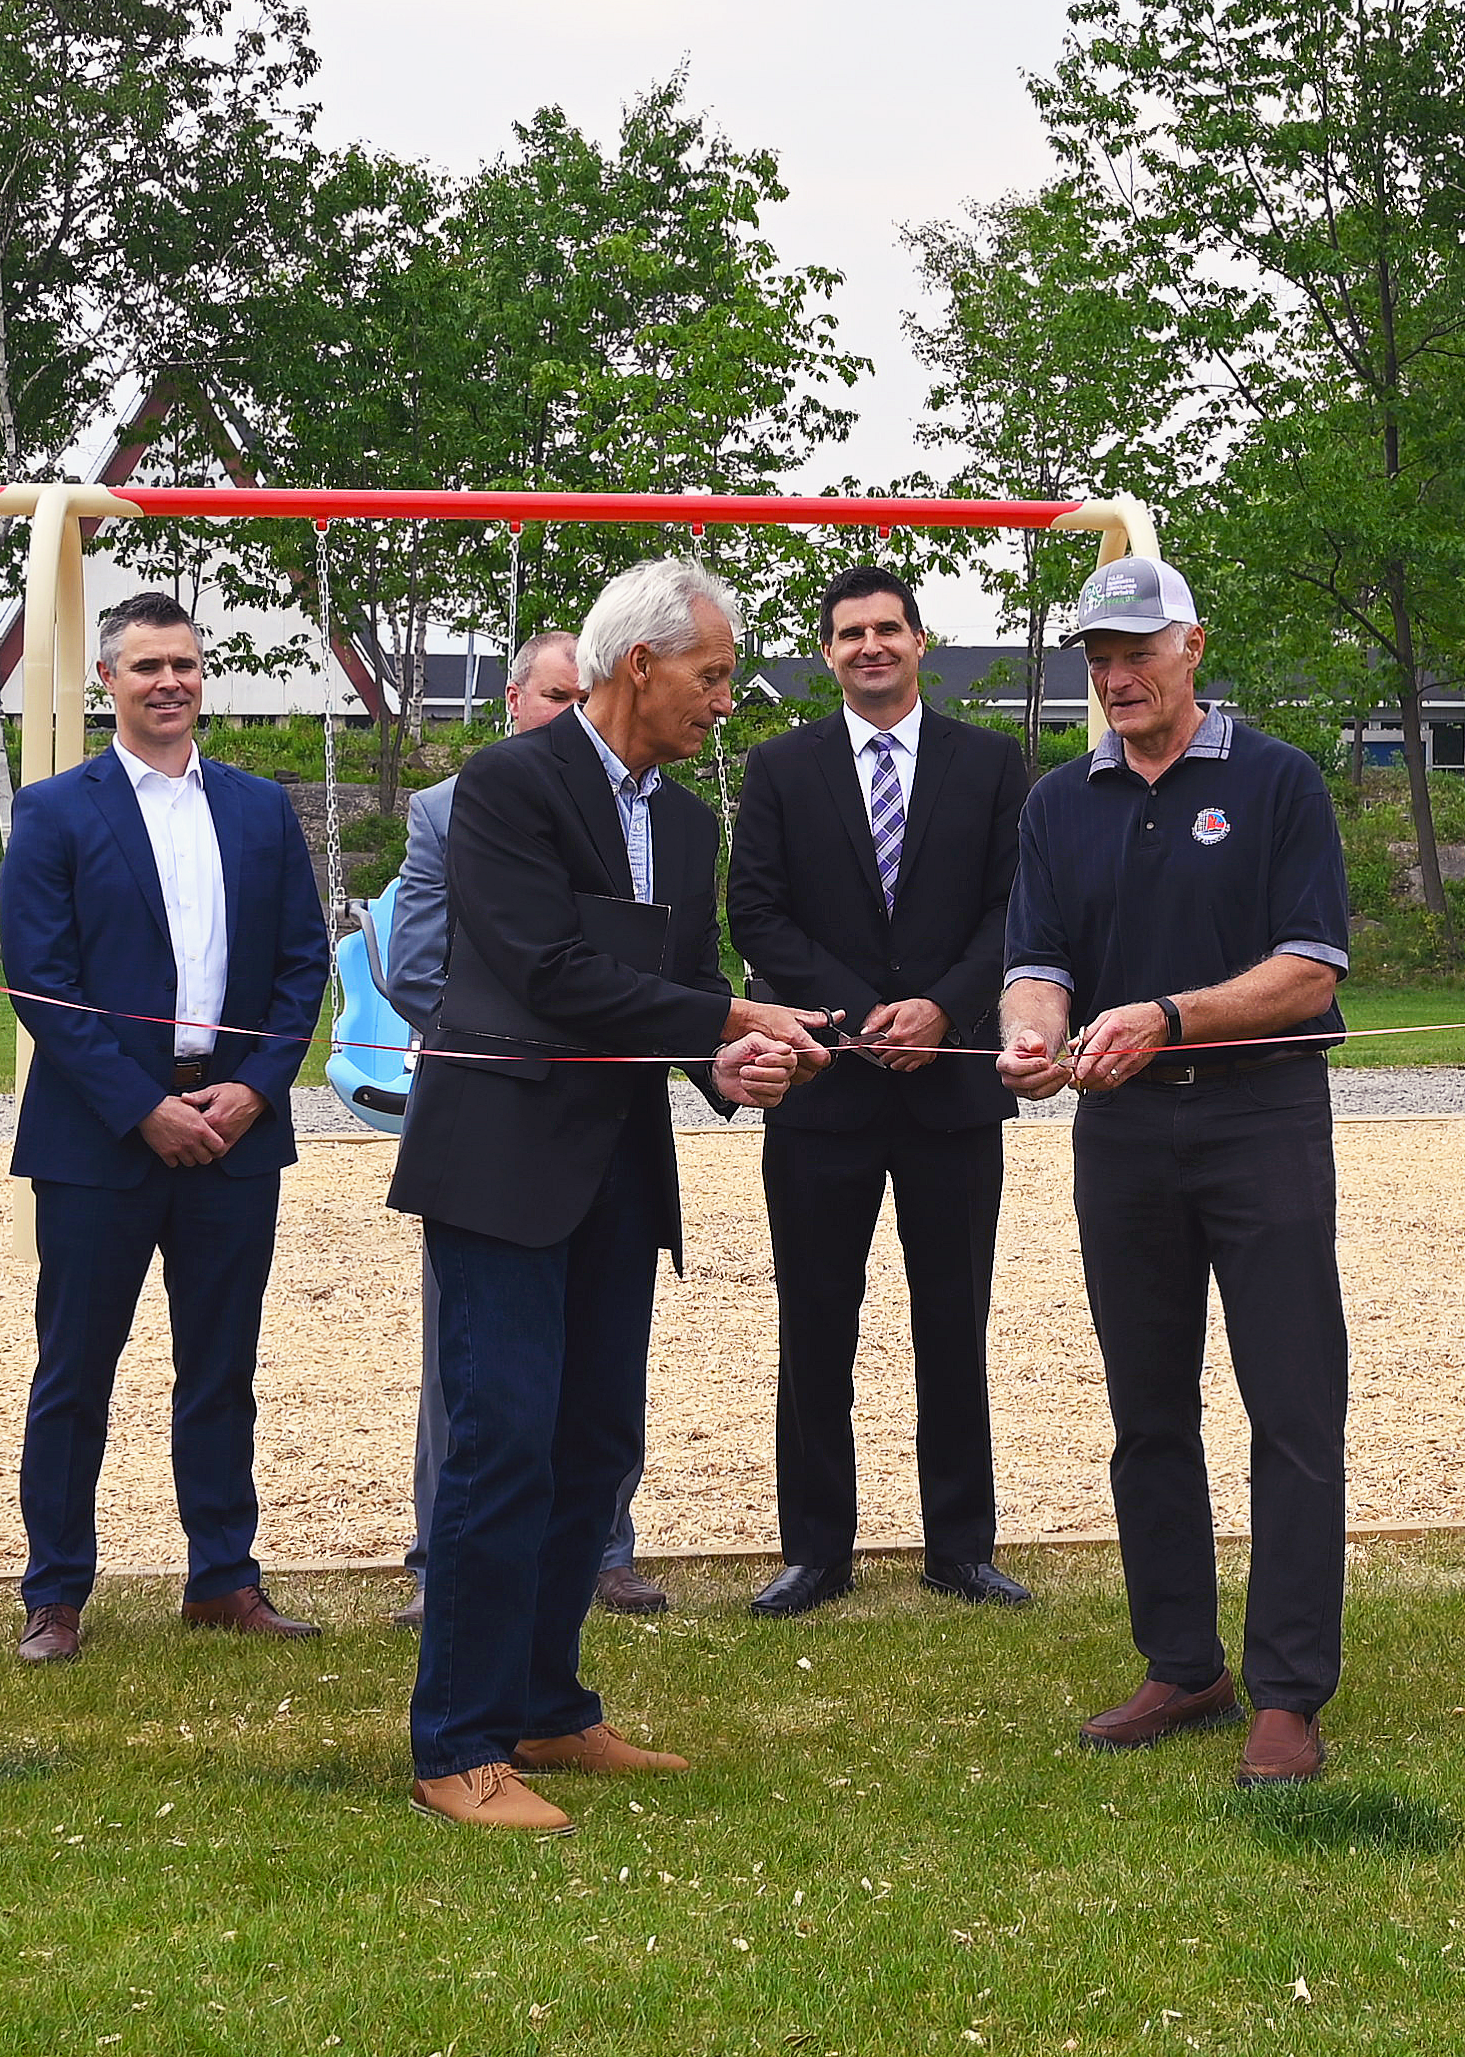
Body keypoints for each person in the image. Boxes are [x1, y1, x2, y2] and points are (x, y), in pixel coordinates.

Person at [386, 558, 825, 1834]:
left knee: (591, 1448)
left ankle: (544, 1703)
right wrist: (732, 1011)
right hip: (500, 1167)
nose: (725, 700)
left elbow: (678, 983)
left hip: (618, 1177)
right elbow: (548, 968)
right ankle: (454, 1744)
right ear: (639, 664)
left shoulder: (689, 824)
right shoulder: (506, 787)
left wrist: (730, 1066)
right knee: (500, 1444)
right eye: (713, 673)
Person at [993, 554, 1355, 1789]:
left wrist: (1168, 1014)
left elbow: (1308, 970)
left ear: (1192, 647)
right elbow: (1036, 956)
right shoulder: (1058, 802)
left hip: (1261, 1126)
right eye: (1097, 654)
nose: (1114, 673)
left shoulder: (1276, 781)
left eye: (1136, 651)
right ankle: (1181, 1660)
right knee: (1148, 1411)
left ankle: (1290, 1690)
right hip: (1125, 1138)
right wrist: (1033, 1031)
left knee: (1293, 1411)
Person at [0, 591, 331, 1661]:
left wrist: (255, 1088)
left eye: (184, 664)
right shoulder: (55, 811)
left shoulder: (258, 807)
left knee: (222, 1364)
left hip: (235, 1129)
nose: (169, 682)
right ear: (108, 682)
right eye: (146, 666)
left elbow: (299, 966)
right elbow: (40, 983)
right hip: (101, 1138)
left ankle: (222, 1577)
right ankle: (55, 1592)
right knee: (74, 1369)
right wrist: (141, 1106)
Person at [727, 564, 1033, 1617]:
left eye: (888, 629)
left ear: (919, 640)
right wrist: (856, 1015)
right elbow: (756, 917)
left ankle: (961, 1545)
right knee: (817, 1322)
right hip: (824, 1091)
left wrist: (946, 1007)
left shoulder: (993, 764)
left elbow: (1016, 909)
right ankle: (815, 1550)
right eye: (850, 632)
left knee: (954, 1320)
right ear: (826, 653)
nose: (870, 646)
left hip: (950, 1092)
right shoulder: (778, 767)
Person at [375, 633, 675, 1627]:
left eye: (576, 692)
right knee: (484, 1393)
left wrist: (723, 1047)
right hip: (500, 1123)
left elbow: (670, 979)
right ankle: (443, 1572)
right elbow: (418, 964)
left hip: (615, 1134)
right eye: (553, 694)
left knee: (597, 1392)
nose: (566, 709)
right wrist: (520, 1039)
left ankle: (601, 1555)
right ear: (514, 700)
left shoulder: (669, 813)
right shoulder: (461, 804)